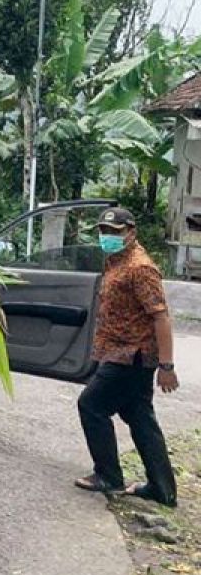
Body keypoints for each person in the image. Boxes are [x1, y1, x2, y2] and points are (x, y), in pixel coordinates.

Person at [74, 207, 179, 507]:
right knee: (140, 417)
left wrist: (167, 366)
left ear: (131, 232)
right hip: (119, 352)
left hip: (131, 356)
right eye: (104, 231)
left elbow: (161, 318)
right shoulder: (115, 261)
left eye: (115, 232)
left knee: (91, 405)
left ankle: (108, 475)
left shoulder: (139, 267)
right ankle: (162, 488)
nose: (107, 237)